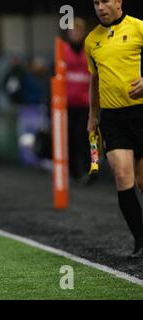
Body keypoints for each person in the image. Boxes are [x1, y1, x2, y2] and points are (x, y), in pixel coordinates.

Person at [85, 0, 143, 258]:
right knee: (122, 177)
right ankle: (141, 240)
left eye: (105, 1)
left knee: (142, 181)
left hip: (140, 113)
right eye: (96, 2)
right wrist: (92, 115)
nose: (100, 7)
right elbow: (94, 80)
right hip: (112, 118)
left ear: (118, 2)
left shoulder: (139, 28)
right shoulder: (91, 40)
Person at [63, 17, 91, 181]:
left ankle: (89, 169)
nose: (76, 33)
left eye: (79, 30)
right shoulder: (62, 51)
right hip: (67, 104)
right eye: (73, 30)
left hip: (86, 103)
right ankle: (73, 171)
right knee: (70, 138)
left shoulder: (90, 49)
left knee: (85, 137)